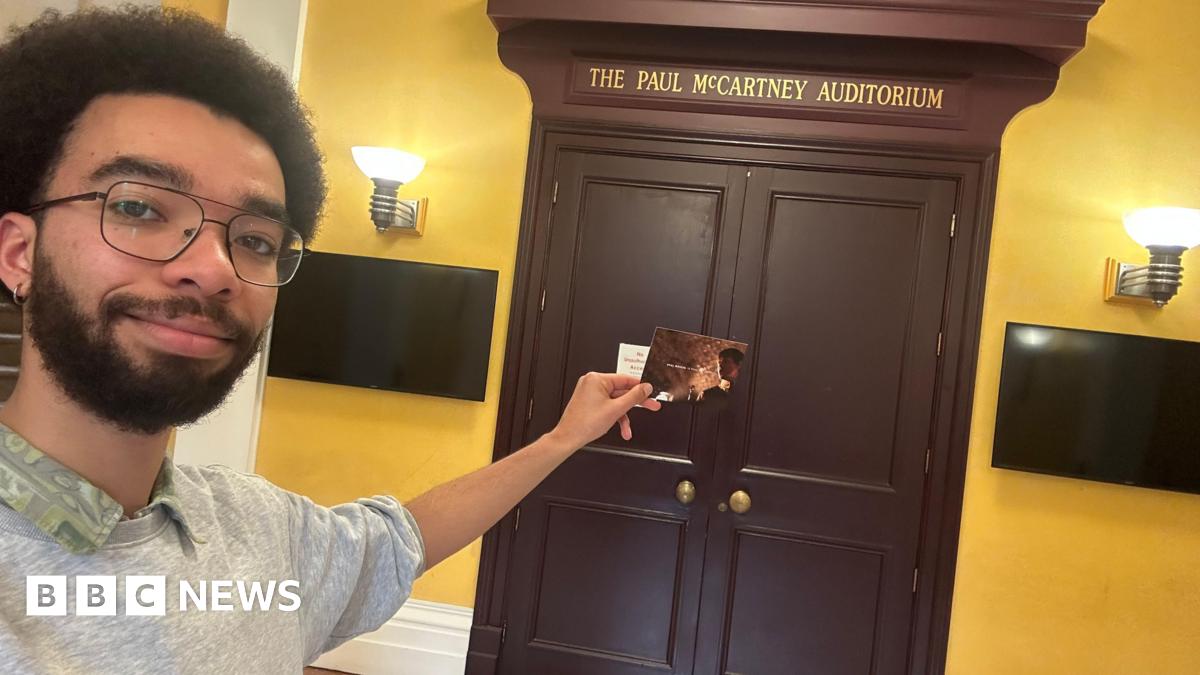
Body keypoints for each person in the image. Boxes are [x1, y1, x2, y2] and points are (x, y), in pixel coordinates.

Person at [0, 8, 658, 673]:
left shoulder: (259, 532)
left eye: (255, 240)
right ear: (19, 252)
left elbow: (403, 537)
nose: (214, 267)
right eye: (139, 207)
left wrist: (562, 437)